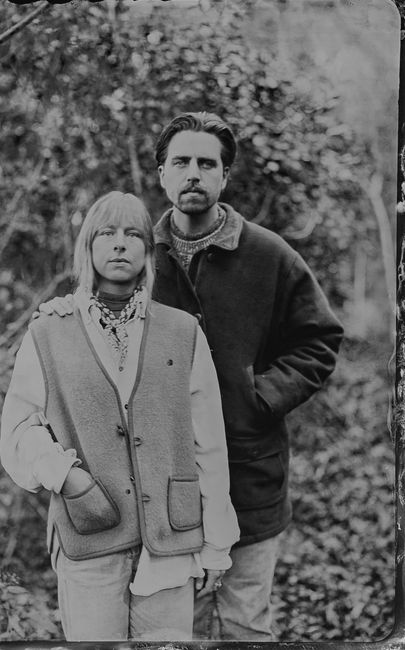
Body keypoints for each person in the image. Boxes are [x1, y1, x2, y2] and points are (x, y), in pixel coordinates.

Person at [39, 113, 344, 641]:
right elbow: (95, 316)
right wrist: (63, 309)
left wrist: (259, 396)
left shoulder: (270, 255)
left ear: (225, 175)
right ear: (162, 173)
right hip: (160, 489)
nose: (194, 173)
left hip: (250, 474)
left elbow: (319, 338)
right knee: (182, 629)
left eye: (207, 163)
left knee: (246, 623)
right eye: (181, 162)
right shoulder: (138, 253)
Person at [0, 190, 239, 642]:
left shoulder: (183, 331)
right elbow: (18, 430)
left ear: (148, 251)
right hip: (89, 539)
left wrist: (216, 544)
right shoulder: (48, 332)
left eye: (133, 234)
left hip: (170, 542)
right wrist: (67, 476)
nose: (119, 243)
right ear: (88, 246)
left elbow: (209, 444)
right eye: (106, 233)